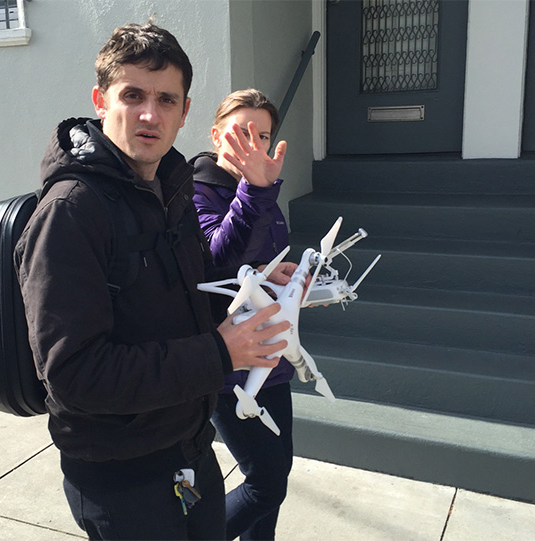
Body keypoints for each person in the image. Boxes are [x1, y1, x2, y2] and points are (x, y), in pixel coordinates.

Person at [14, 25, 295, 541]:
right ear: (101, 101)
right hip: (123, 476)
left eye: (166, 100)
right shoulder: (71, 213)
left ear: (184, 112)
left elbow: (205, 283)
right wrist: (219, 352)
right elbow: (75, 375)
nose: (150, 114)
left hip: (188, 450)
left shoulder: (170, 189)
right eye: (133, 96)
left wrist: (270, 289)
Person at [191, 89, 294, 540]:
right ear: (216, 136)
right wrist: (256, 189)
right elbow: (219, 259)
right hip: (231, 362)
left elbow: (256, 268)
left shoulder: (260, 189)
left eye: (263, 135)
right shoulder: (194, 193)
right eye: (241, 133)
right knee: (265, 482)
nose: (254, 145)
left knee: (278, 472)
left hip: (271, 353)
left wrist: (290, 280)